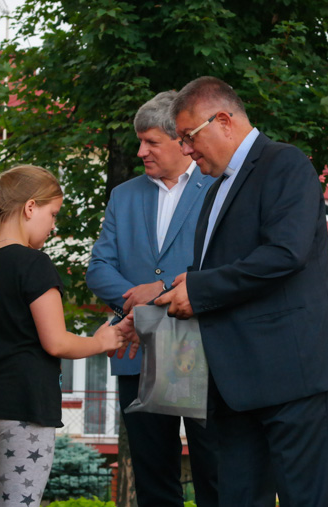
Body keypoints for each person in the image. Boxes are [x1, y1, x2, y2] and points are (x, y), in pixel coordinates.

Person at [156, 76, 328, 507]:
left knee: (306, 500)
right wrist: (166, 297)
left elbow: (285, 253)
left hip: (294, 374)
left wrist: (200, 287)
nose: (186, 150)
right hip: (235, 381)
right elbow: (218, 270)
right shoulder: (215, 190)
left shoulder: (285, 163)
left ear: (224, 121)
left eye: (189, 137)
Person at [86, 91, 218, 507]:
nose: (141, 151)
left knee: (215, 473)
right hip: (137, 348)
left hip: (204, 348)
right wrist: (139, 303)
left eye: (151, 142)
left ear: (181, 139)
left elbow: (225, 267)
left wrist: (160, 292)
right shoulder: (124, 195)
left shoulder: (219, 188)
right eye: (139, 141)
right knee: (152, 479)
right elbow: (99, 268)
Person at [0, 165, 129, 507]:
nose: (54, 226)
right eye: (53, 214)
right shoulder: (34, 264)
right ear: (30, 207)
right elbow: (55, 341)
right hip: (25, 406)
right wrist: (101, 342)